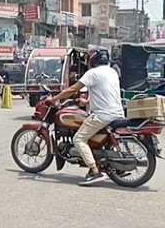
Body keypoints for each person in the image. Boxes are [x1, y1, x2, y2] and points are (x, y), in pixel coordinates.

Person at [48, 49, 124, 186]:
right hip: (117, 112)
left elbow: (73, 89)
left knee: (79, 139)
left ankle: (95, 172)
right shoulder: (112, 71)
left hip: (103, 115)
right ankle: (105, 166)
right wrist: (87, 101)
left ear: (92, 60)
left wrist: (55, 99)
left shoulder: (92, 73)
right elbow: (106, 93)